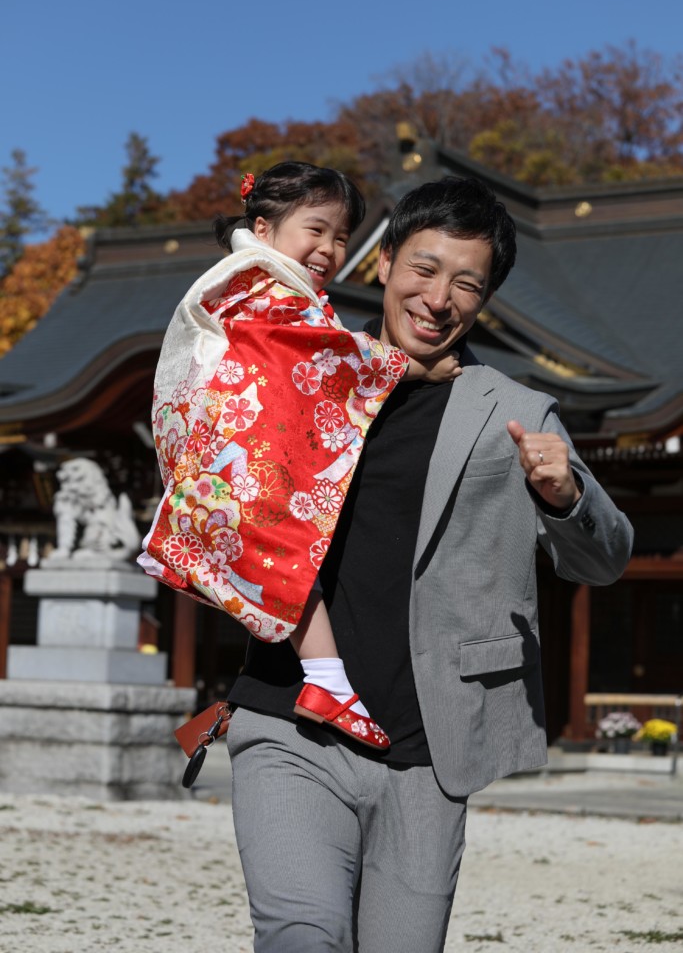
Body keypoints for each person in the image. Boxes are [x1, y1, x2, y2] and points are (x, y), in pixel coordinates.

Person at [224, 175, 634, 953]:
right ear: (383, 263)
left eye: (465, 284)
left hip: (427, 750)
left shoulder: (514, 414)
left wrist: (565, 495)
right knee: (301, 933)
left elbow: (604, 560)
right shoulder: (302, 373)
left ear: (485, 300)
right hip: (289, 723)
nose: (437, 298)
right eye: (423, 268)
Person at [139, 162, 459, 751]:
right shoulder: (266, 288)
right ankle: (328, 681)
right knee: (291, 545)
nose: (329, 249)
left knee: (287, 558)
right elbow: (323, 356)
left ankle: (326, 679)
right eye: (316, 230)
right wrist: (413, 368)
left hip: (234, 455)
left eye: (341, 238)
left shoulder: (261, 283)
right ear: (263, 227)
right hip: (236, 461)